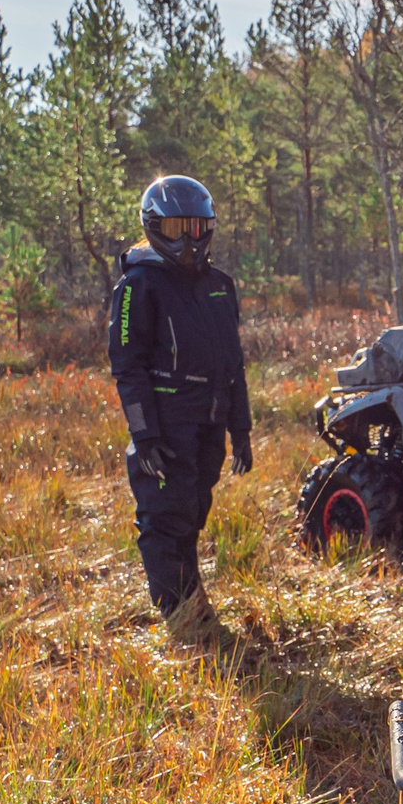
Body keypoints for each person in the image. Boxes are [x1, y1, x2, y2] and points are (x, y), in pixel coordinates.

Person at [108, 175, 248, 647]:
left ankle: (191, 602)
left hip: (209, 421)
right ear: (153, 228)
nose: (185, 239)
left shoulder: (218, 285)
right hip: (166, 424)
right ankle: (180, 622)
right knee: (164, 517)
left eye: (194, 226)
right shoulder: (138, 285)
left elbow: (234, 364)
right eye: (173, 228)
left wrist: (241, 430)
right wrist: (144, 435)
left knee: (192, 511)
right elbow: (127, 367)